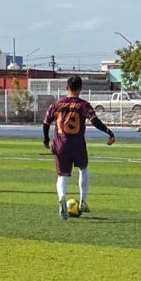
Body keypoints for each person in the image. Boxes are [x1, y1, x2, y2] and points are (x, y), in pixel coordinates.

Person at [42, 75, 116, 220]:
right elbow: (95, 121)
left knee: (62, 175)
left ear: (66, 87)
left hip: (61, 144)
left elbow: (46, 123)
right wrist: (109, 132)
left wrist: (45, 139)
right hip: (78, 144)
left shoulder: (57, 104)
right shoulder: (83, 105)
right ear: (81, 89)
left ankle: (62, 196)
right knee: (83, 169)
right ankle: (83, 201)